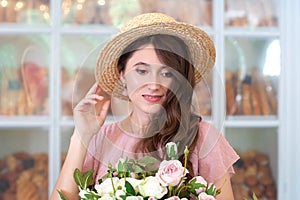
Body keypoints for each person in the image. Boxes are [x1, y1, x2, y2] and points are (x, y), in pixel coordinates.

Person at [50, 13, 239, 200]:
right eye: (141, 71)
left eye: (166, 73)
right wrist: (81, 136)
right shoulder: (100, 139)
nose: (154, 84)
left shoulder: (203, 137)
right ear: (122, 74)